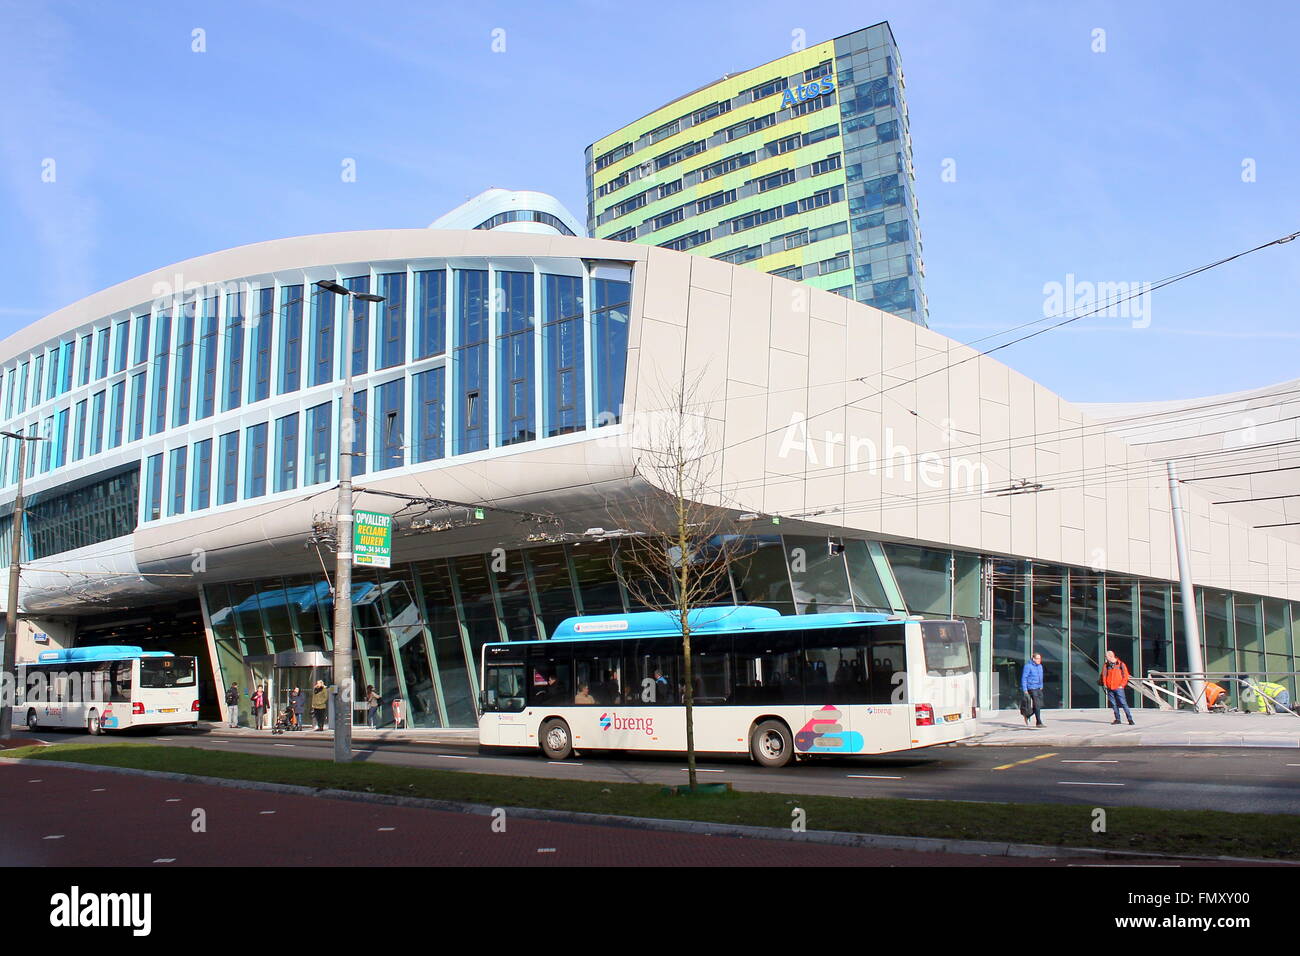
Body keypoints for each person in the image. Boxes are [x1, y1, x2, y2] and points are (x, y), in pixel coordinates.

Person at [1101, 649, 1135, 725]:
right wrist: (1105, 684)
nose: (1106, 658)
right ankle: (1117, 719)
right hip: (1110, 687)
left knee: (1123, 703)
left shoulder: (1121, 664)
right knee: (1113, 704)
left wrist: (1121, 685)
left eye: (1106, 656)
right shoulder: (1106, 665)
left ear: (1111, 656)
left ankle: (1130, 719)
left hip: (1118, 687)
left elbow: (1126, 676)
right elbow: (1104, 675)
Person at [1020, 652, 1045, 728]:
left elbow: (1040, 677)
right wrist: (1025, 689)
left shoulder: (1040, 666)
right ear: (1033, 659)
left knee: (1039, 705)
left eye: (1040, 658)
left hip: (1038, 687)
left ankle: (1028, 715)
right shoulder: (1028, 666)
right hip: (1031, 687)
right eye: (1037, 658)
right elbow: (1024, 678)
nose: (1039, 660)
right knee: (1037, 704)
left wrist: (1041, 685)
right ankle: (1039, 722)